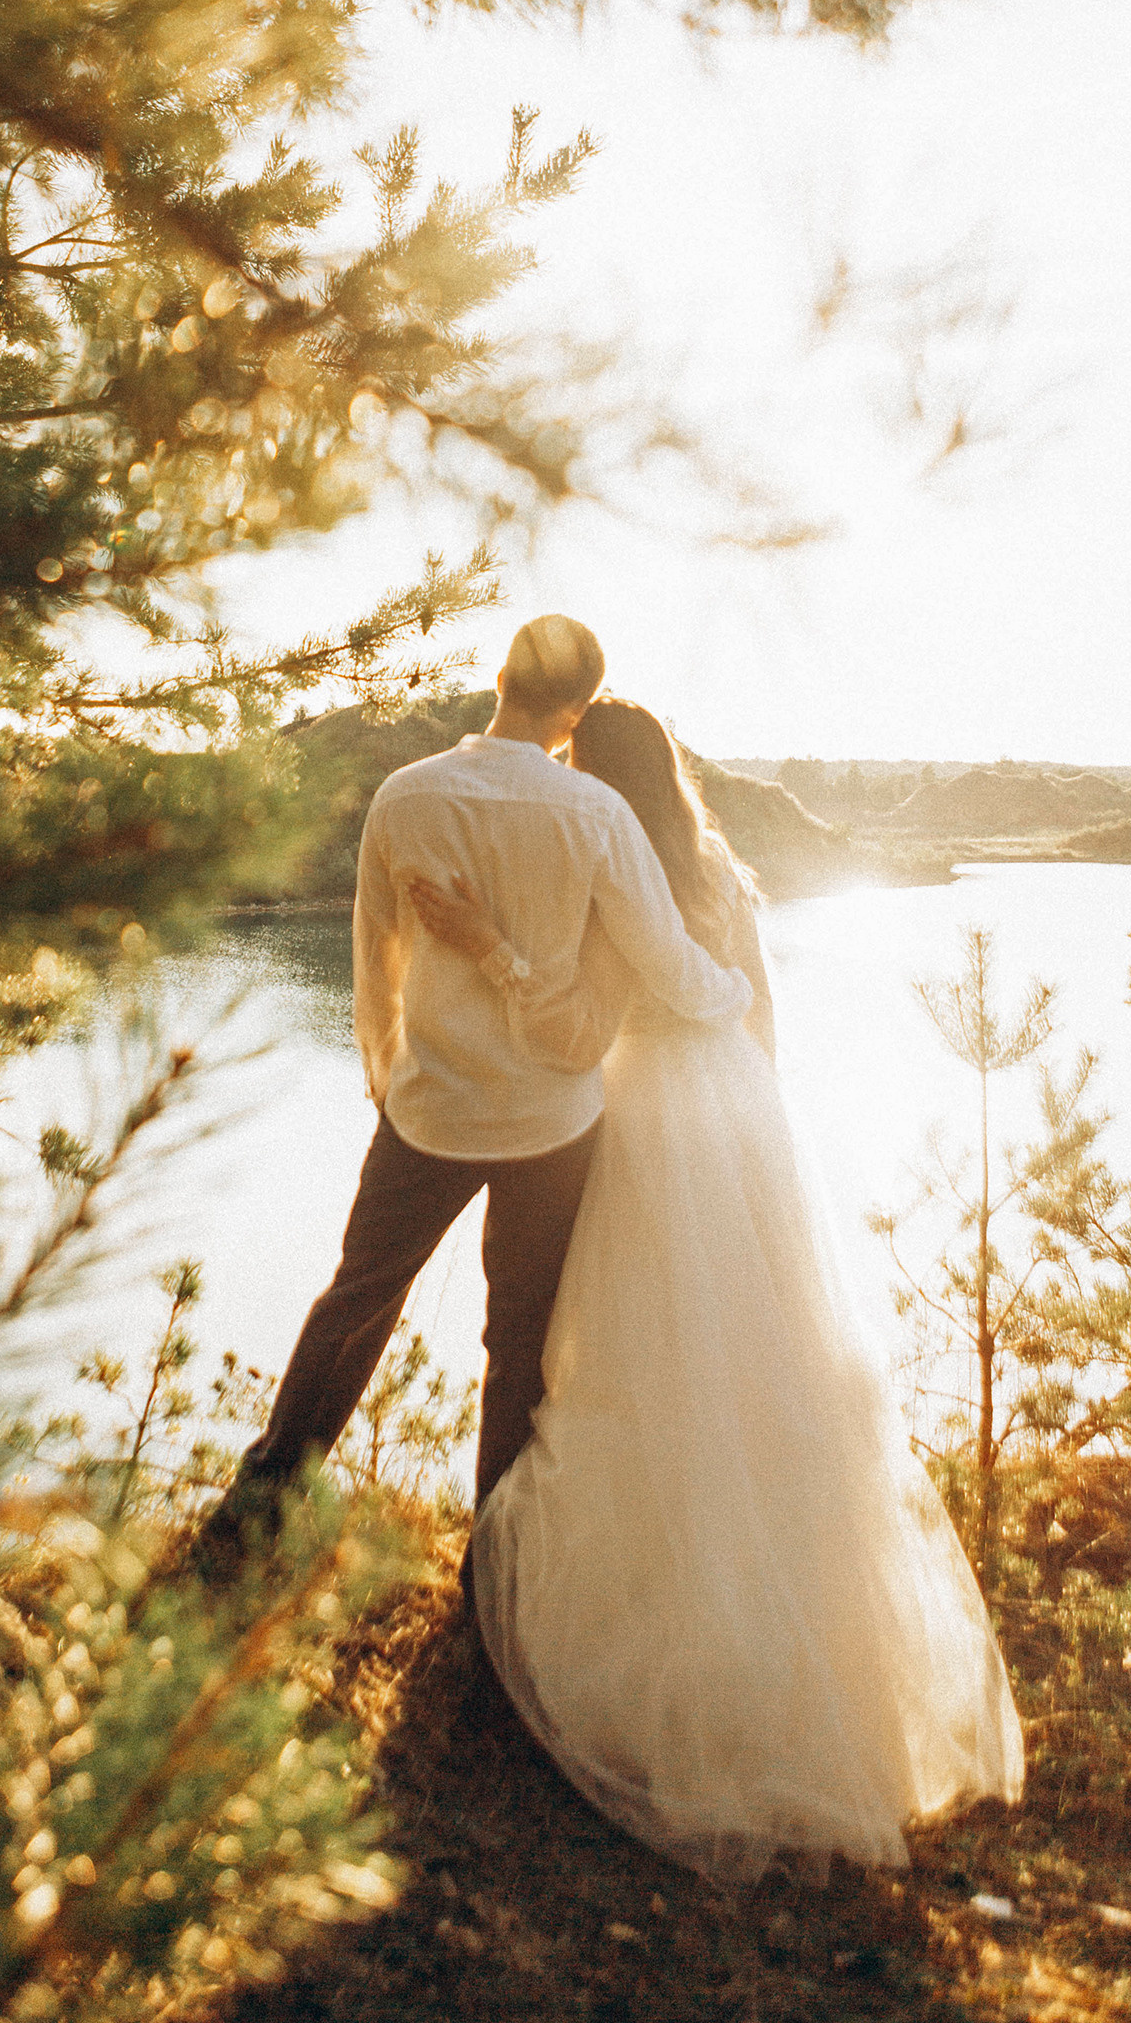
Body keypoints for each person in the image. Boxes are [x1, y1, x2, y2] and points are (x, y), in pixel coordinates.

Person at [407, 696, 1025, 1883]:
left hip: (648, 1119)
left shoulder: (605, 865)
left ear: (596, 775)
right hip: (744, 1116)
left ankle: (661, 1644)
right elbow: (758, 1009)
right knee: (770, 1372)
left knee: (630, 1366)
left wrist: (483, 944)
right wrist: (760, 1125)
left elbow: (580, 1023)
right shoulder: (722, 869)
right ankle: (820, 1664)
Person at [195, 616, 754, 1566]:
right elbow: (666, 964)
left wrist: (387, 1077)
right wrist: (736, 993)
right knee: (517, 1337)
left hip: (430, 1111)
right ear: (575, 712)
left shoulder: (405, 796)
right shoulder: (597, 815)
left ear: (499, 678)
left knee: (357, 1300)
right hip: (551, 1123)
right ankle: (494, 1558)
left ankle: (258, 1509)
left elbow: (377, 955)